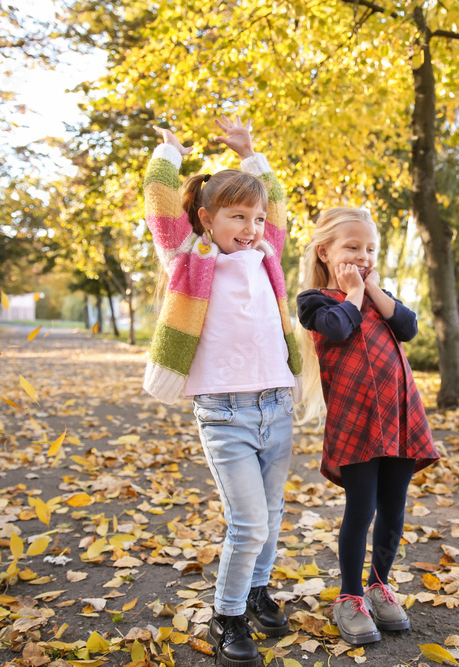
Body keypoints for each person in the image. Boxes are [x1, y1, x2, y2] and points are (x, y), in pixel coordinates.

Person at [142, 116, 301, 667]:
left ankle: (258, 593)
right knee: (248, 522)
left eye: (256, 218)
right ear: (207, 219)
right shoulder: (191, 258)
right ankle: (227, 615)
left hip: (277, 405)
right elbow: (161, 205)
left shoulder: (267, 257)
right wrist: (169, 154)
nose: (252, 226)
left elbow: (276, 202)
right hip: (224, 412)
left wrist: (252, 152)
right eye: (238, 216)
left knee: (273, 513)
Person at [295, 207, 439, 645]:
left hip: (398, 415)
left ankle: (379, 584)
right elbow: (337, 329)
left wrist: (371, 286)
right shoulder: (316, 301)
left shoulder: (378, 296)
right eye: (352, 248)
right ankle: (350, 596)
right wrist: (354, 292)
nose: (362, 256)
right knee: (362, 510)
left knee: (394, 507)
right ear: (325, 251)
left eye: (370, 249)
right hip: (356, 422)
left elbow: (409, 326)